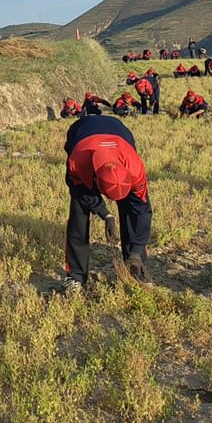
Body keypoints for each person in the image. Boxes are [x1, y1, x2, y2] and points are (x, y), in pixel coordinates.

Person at [62, 115, 153, 293]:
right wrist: (106, 214)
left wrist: (136, 250)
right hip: (82, 131)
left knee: (130, 210)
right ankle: (75, 276)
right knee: (78, 215)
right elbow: (83, 195)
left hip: (120, 133)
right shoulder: (77, 162)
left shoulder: (135, 169)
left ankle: (135, 265)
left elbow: (141, 210)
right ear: (95, 179)